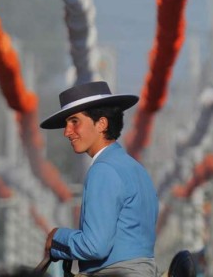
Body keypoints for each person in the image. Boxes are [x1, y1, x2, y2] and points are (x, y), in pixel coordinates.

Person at [40, 81, 159, 277]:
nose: (66, 131)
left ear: (101, 124)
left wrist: (57, 237)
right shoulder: (136, 169)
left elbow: (95, 246)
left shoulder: (102, 170)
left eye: (74, 121)